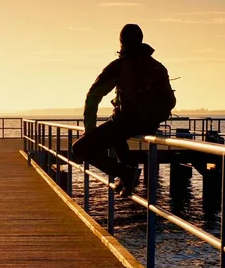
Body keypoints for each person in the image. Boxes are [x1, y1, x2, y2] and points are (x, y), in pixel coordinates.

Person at [72, 24, 176, 197]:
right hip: (150, 124)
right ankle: (128, 173)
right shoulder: (157, 66)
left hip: (128, 123)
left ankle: (126, 172)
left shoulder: (121, 65)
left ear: (121, 42)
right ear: (141, 40)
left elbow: (93, 96)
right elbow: (170, 101)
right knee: (115, 132)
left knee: (80, 148)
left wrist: (89, 130)